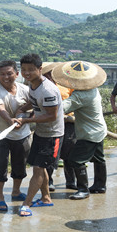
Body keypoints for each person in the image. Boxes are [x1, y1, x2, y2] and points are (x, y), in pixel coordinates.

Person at [11, 53, 65, 217]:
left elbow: (51, 116)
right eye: (24, 70)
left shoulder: (48, 90)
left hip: (52, 135)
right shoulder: (33, 85)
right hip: (42, 133)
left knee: (38, 170)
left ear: (40, 69)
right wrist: (23, 109)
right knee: (40, 168)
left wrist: (27, 120)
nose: (27, 73)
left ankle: (26, 204)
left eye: (31, 70)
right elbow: (34, 102)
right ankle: (46, 198)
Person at [52, 60, 108, 200]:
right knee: (99, 158)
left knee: (75, 160)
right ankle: (100, 185)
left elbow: (61, 108)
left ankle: (83, 189)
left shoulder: (81, 96)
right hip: (99, 130)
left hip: (89, 134)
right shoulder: (93, 89)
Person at [0, 60, 32, 211]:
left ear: (17, 74)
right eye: (2, 74)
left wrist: (24, 113)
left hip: (22, 133)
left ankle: (16, 191)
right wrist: (10, 120)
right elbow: (0, 108)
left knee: (20, 164)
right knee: (1, 164)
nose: (6, 77)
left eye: (9, 74)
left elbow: (34, 104)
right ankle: (0, 198)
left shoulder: (25, 89)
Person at [42, 62, 77, 191]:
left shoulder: (66, 84)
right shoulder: (42, 87)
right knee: (52, 152)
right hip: (51, 123)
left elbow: (76, 99)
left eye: (51, 72)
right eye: (46, 73)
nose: (50, 75)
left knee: (70, 151)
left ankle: (71, 181)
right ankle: (49, 181)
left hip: (69, 121)